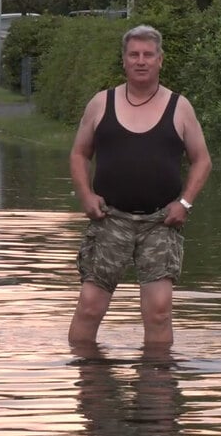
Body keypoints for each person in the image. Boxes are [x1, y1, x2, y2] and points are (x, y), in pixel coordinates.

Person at [68, 25, 212, 346]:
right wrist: (85, 196)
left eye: (148, 55)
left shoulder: (180, 107)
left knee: (159, 310)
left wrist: (185, 203)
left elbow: (202, 160)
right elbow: (79, 154)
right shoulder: (101, 104)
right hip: (109, 219)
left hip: (160, 222)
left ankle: (157, 384)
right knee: (90, 306)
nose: (141, 61)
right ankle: (88, 380)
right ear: (124, 61)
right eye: (134, 54)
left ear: (160, 60)